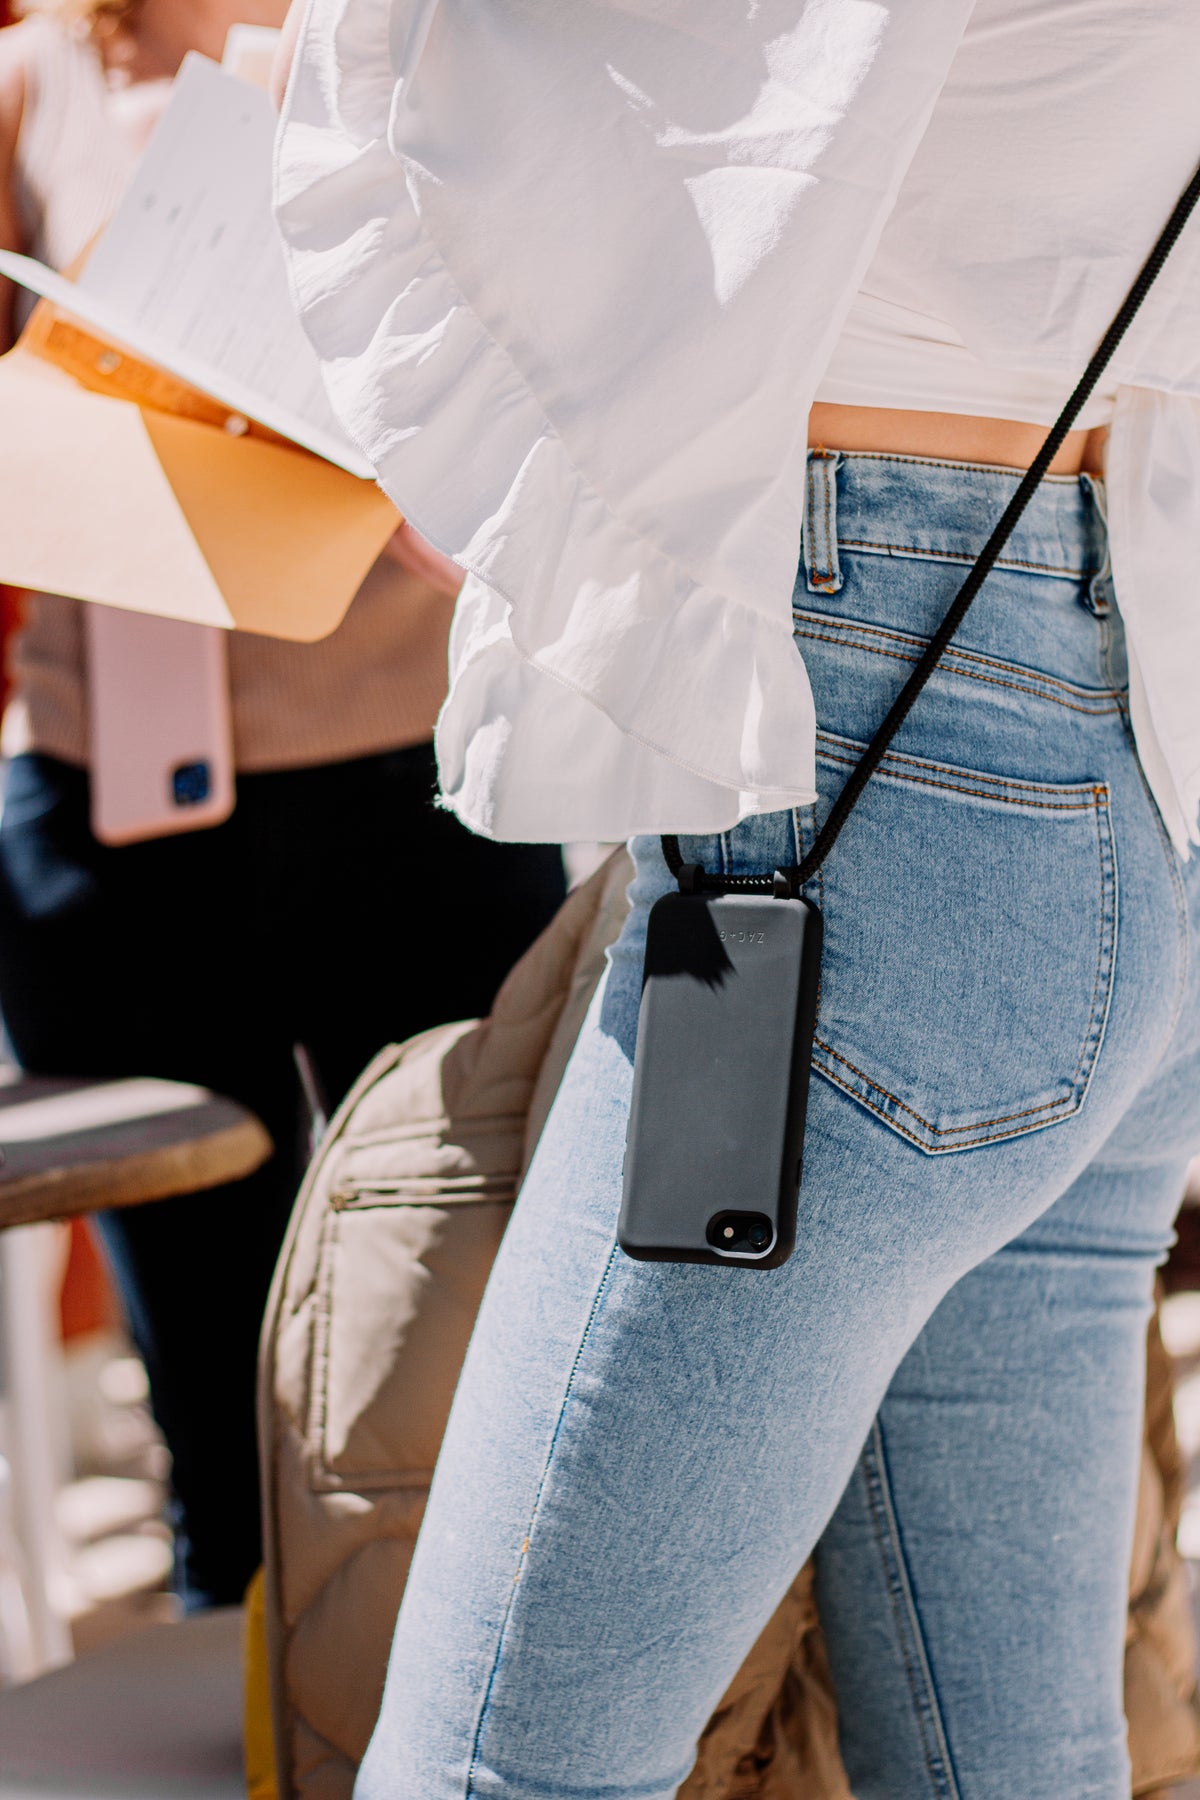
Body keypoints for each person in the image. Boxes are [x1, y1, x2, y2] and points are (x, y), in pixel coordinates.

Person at [272, 2, 1200, 1793]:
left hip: (872, 766)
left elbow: (460, 84)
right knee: (1005, 1762)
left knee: (501, 1768)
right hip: (1121, 742)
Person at [0, 0, 564, 1612]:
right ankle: (244, 1721)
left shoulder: (422, 44)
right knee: (217, 1426)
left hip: (425, 789)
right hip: (112, 824)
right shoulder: (31, 82)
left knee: (475, 1347)